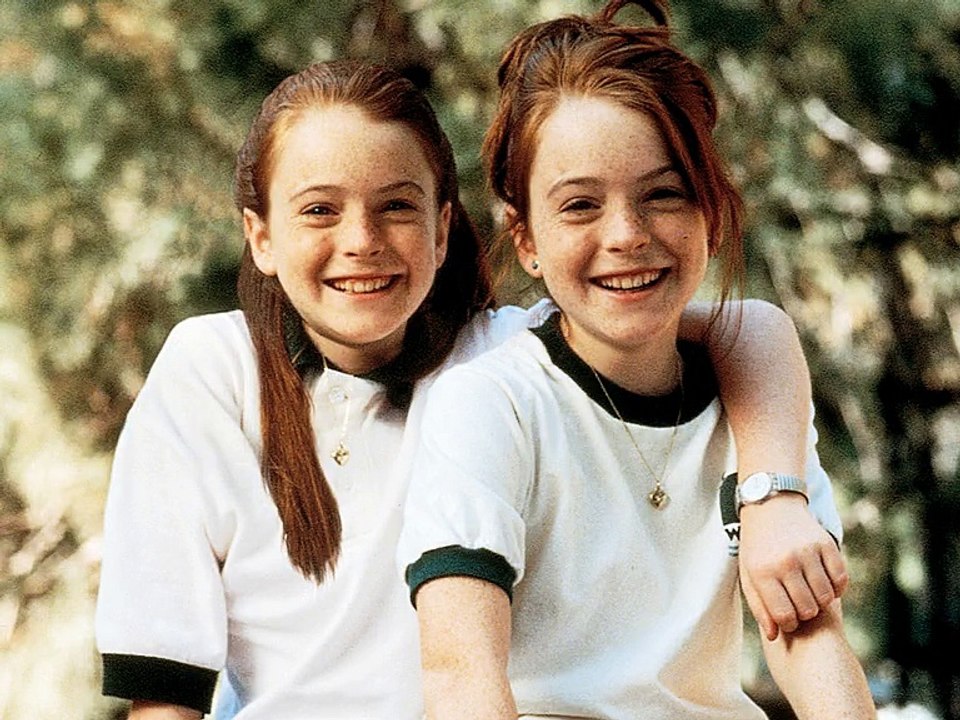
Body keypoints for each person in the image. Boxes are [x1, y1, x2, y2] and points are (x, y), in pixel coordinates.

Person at [97, 58, 844, 720]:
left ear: (442, 227)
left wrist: (772, 498)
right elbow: (166, 687)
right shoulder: (213, 369)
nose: (362, 241)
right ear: (260, 236)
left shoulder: (495, 356)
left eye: (397, 205)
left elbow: (745, 328)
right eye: (320, 210)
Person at [398, 2, 877, 718]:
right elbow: (461, 677)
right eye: (580, 206)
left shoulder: (758, 409)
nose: (626, 234)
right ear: (525, 239)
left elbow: (811, 643)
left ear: (711, 214)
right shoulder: (493, 404)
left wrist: (776, 505)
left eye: (664, 194)